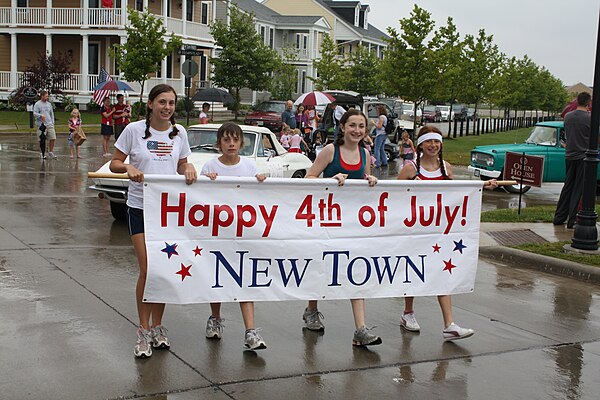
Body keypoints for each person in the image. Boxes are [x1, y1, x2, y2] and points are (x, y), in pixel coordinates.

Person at [109, 84, 197, 358]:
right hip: (139, 208)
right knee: (148, 270)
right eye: (162, 102)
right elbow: (114, 162)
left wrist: (189, 167)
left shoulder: (179, 132)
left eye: (171, 103)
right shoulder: (134, 130)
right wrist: (128, 167)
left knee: (164, 271)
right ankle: (143, 329)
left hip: (168, 211)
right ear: (150, 104)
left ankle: (158, 326)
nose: (167, 108)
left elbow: (181, 164)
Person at [396, 126, 497, 341]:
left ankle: (449, 324)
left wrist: (482, 185)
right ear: (420, 144)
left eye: (436, 142)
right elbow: (394, 196)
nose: (433, 146)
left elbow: (457, 192)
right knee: (413, 271)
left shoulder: (446, 168)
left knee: (443, 272)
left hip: (439, 231)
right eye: (428, 141)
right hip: (415, 230)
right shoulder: (411, 169)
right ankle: (408, 313)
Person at [303, 108, 382, 347]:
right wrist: (330, 180)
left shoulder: (365, 154)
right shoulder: (330, 151)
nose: (357, 130)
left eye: (361, 126)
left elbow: (363, 184)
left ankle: (360, 328)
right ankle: (311, 310)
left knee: (356, 271)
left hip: (352, 223)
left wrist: (371, 181)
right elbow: (308, 179)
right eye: (352, 125)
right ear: (343, 127)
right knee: (321, 267)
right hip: (326, 221)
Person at [201, 122, 268, 351]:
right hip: (217, 232)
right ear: (219, 143)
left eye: (235, 140)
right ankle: (215, 318)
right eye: (226, 139)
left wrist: (260, 182)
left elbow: (260, 199)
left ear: (241, 143)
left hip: (242, 233)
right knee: (216, 276)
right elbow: (197, 199)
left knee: (244, 278)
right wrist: (205, 181)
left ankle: (250, 330)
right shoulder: (210, 166)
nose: (231, 144)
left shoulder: (249, 167)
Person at [553, 92, 592, 229]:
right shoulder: (590, 118)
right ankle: (572, 220)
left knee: (567, 186)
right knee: (578, 189)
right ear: (588, 103)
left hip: (569, 155)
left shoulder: (568, 117)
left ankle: (559, 217)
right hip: (583, 156)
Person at [33, 89, 56, 159]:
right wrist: (40, 115)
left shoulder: (49, 104)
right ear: (42, 96)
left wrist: (52, 122)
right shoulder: (37, 104)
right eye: (46, 96)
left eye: (47, 96)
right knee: (42, 139)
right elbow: (34, 113)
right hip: (41, 125)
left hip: (49, 124)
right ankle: (41, 153)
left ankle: (50, 152)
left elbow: (51, 113)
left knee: (53, 138)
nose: (47, 97)